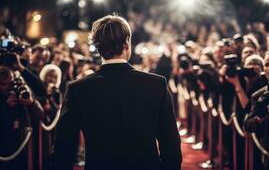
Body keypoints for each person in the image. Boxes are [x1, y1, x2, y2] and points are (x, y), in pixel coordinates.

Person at [51, 14, 182, 170]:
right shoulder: (156, 84)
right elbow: (171, 144)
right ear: (127, 43)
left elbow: (64, 148)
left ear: (98, 48)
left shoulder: (78, 89)